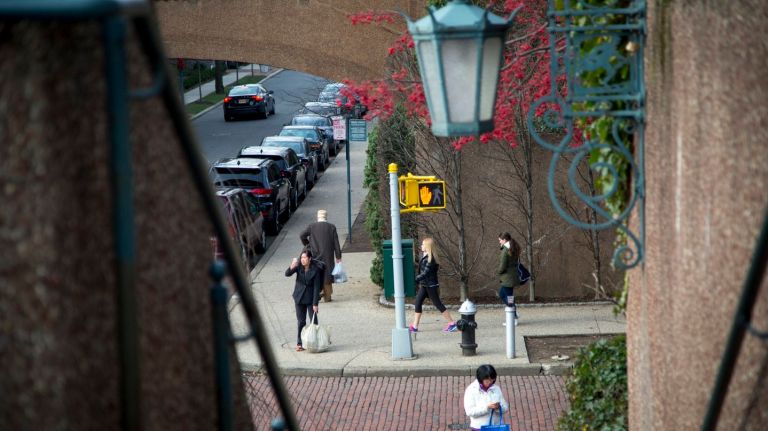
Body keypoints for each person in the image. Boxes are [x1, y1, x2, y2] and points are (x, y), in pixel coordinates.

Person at [408, 237, 457, 333]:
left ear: (427, 247)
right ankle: (415, 326)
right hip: (425, 285)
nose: (421, 246)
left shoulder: (430, 260)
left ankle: (452, 323)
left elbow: (425, 273)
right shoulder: (426, 256)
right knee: (418, 303)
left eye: (423, 244)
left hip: (431, 286)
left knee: (438, 304)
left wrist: (415, 279)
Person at [299, 209, 342, 302]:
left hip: (315, 254)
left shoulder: (312, 226)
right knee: (327, 275)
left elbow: (302, 235)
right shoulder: (332, 227)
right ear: (326, 217)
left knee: (316, 273)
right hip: (328, 255)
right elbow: (336, 243)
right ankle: (327, 296)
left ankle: (317, 293)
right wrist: (338, 256)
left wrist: (308, 244)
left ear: (318, 217)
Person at [285, 250, 323, 352]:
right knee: (301, 321)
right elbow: (287, 274)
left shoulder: (316, 270)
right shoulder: (298, 267)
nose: (302, 260)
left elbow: (316, 288)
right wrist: (292, 265)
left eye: (305, 258)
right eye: (301, 258)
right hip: (299, 297)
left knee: (313, 321)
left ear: (309, 259)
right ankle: (299, 342)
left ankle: (315, 341)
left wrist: (315, 303)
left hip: (310, 299)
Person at [464, 364, 509, 431]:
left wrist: (498, 407)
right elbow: (469, 411)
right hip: (479, 428)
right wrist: (486, 408)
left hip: (496, 427)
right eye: (487, 380)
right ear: (481, 379)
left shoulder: (496, 389)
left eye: (492, 380)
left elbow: (505, 407)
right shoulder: (471, 390)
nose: (490, 382)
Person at [497, 232, 521, 326]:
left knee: (508, 297)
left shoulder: (505, 250)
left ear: (504, 240)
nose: (499, 242)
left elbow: (503, 265)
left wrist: (499, 272)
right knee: (504, 295)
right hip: (511, 277)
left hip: (507, 278)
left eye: (500, 240)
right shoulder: (513, 247)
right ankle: (514, 312)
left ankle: (513, 317)